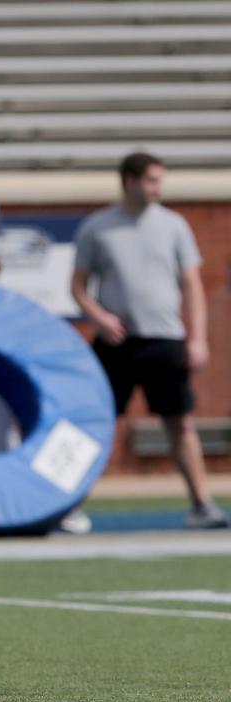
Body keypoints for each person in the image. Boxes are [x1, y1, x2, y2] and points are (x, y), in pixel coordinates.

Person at [72, 152, 228, 529]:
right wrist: (101, 318)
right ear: (129, 181)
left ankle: (202, 504)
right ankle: (70, 506)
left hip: (166, 339)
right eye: (151, 180)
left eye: (160, 180)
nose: (158, 188)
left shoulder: (174, 225)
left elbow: (191, 284)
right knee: (97, 424)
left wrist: (198, 339)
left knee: (181, 424)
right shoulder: (98, 226)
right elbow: (78, 288)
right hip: (116, 343)